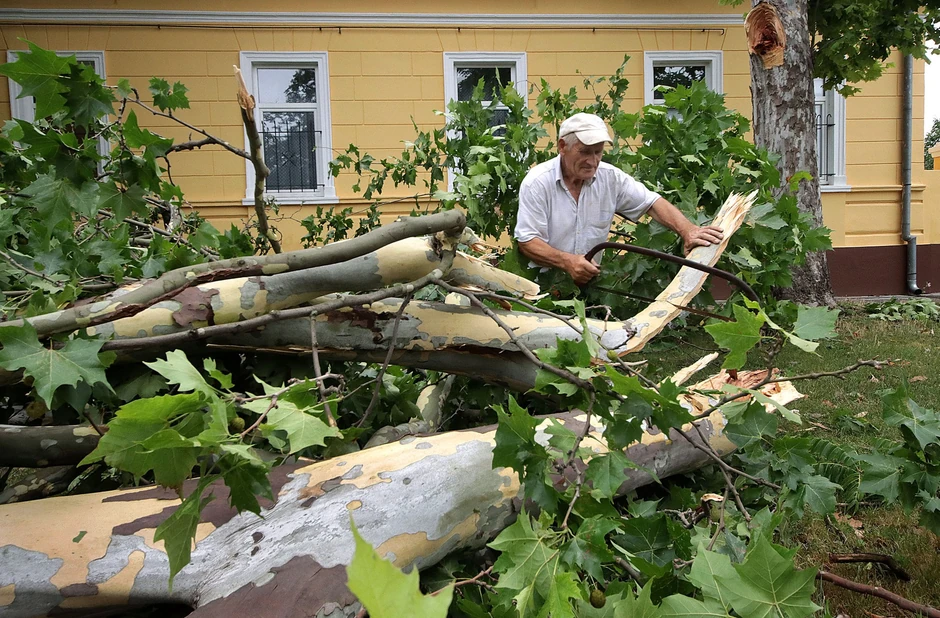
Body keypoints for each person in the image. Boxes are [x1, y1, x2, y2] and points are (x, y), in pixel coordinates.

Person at [514, 112, 724, 285]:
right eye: (585, 152)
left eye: (598, 152)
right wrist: (567, 262)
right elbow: (528, 241)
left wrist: (688, 230)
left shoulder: (610, 178)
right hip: (541, 287)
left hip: (590, 285)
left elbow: (652, 202)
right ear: (562, 146)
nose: (592, 161)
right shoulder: (538, 183)